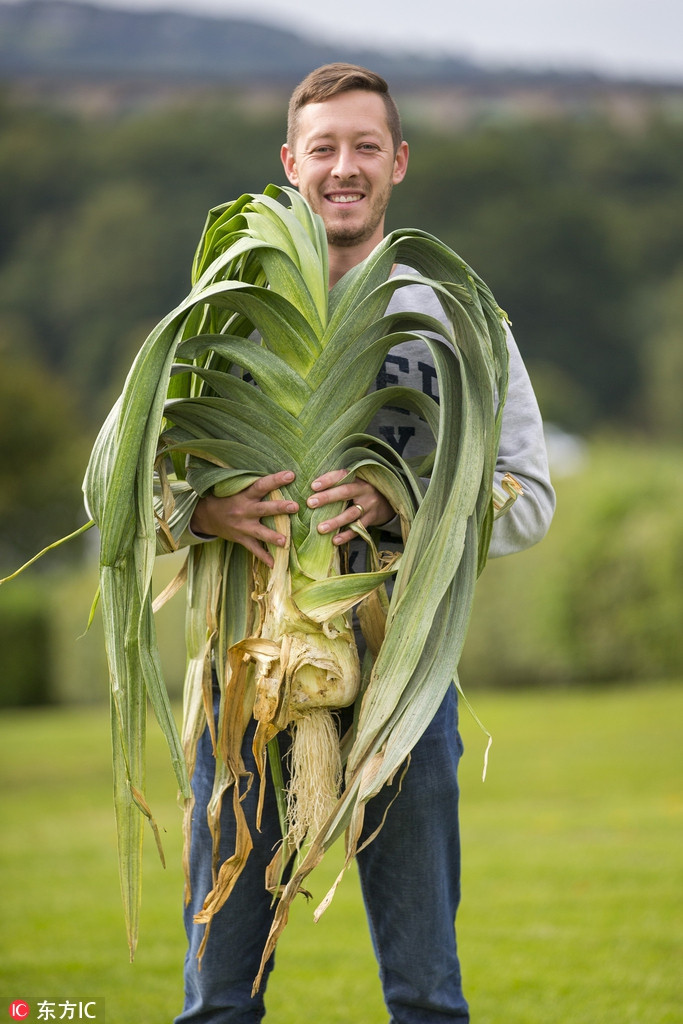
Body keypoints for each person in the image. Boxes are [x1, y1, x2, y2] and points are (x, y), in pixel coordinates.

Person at [175, 63, 555, 1023]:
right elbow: (137, 477)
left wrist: (400, 505)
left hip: (403, 686)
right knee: (219, 1000)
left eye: (365, 146)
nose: (344, 167)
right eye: (324, 147)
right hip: (248, 679)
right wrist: (203, 511)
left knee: (426, 995)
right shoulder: (222, 310)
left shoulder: (456, 316)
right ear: (290, 161)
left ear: (398, 161)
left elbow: (529, 499)